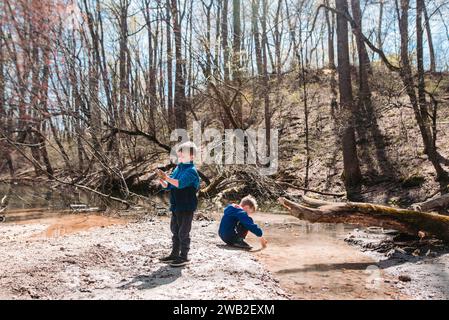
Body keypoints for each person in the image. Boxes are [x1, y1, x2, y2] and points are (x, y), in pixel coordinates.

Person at [157, 141, 200, 267]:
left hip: (187, 206)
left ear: (191, 156)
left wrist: (167, 178)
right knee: (175, 230)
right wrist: (163, 180)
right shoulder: (178, 168)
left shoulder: (191, 171)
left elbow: (180, 183)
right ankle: (174, 254)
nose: (180, 155)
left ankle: (184, 256)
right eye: (179, 153)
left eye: (183, 154)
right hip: (176, 205)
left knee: (183, 232)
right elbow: (169, 186)